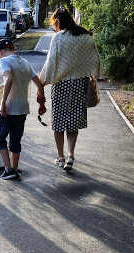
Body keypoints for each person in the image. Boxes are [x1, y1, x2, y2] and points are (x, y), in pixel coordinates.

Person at [38, 7, 100, 171]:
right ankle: (71, 155)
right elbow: (95, 59)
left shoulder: (58, 38)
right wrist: (93, 75)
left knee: (58, 123)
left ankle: (60, 157)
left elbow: (51, 64)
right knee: (72, 122)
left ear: (57, 21)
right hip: (80, 84)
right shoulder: (86, 36)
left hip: (62, 85)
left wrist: (41, 83)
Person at [0, 39, 45, 180]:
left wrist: (3, 103)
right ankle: (14, 170)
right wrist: (42, 102)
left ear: (0, 51)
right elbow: (38, 83)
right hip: (23, 108)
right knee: (15, 140)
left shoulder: (4, 61)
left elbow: (8, 79)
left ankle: (8, 170)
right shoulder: (25, 62)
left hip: (10, 108)